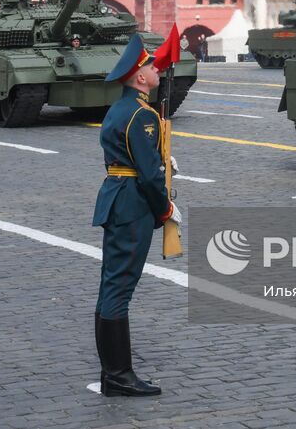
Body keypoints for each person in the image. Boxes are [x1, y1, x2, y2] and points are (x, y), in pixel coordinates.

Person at [92, 34, 179, 397]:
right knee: (119, 289)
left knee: (111, 285)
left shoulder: (119, 109)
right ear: (140, 78)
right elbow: (149, 174)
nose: (157, 70)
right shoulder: (142, 115)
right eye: (151, 67)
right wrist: (164, 208)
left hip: (117, 197)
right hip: (132, 204)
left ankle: (111, 373)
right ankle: (118, 375)